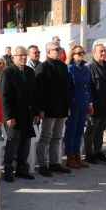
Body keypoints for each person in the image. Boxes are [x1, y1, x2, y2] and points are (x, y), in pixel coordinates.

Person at [34, 42, 72, 177]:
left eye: (60, 49)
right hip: (48, 109)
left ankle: (55, 162)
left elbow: (67, 88)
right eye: (56, 49)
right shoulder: (42, 67)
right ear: (48, 52)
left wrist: (68, 106)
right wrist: (40, 109)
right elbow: (38, 91)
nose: (59, 51)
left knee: (58, 137)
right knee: (45, 137)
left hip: (61, 108)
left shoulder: (63, 66)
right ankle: (42, 164)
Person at [0, 46, 38, 182]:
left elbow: (34, 94)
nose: (23, 57)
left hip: (27, 114)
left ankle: (22, 169)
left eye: (25, 55)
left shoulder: (29, 71)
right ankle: (8, 170)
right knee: (12, 144)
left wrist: (36, 112)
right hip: (14, 115)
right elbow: (4, 96)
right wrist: (8, 116)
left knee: (25, 143)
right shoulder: (8, 72)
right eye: (20, 55)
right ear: (14, 57)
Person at [63, 45, 93, 169]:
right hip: (73, 104)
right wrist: (68, 104)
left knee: (80, 131)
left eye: (82, 52)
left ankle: (77, 156)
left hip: (83, 103)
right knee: (71, 131)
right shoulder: (69, 69)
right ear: (73, 55)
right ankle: (70, 157)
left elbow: (89, 87)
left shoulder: (85, 69)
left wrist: (90, 103)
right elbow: (67, 89)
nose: (81, 55)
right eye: (78, 53)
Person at [85, 44, 106, 163]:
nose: (103, 53)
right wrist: (90, 103)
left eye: (104, 51)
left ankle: (98, 151)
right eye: (100, 51)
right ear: (94, 53)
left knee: (100, 130)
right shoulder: (90, 67)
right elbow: (88, 87)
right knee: (91, 131)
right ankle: (89, 154)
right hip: (95, 105)